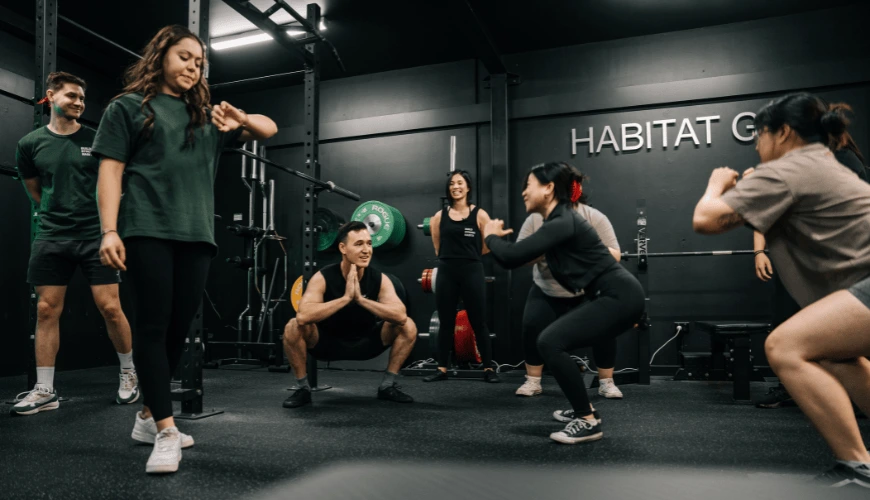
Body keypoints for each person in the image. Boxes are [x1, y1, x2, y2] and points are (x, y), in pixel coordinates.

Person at [92, 25, 277, 474]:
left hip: (197, 236)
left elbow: (269, 129)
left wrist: (241, 120)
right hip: (146, 229)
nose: (194, 66)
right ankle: (167, 430)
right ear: (161, 56)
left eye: (200, 62)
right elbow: (110, 172)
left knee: (178, 332)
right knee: (153, 329)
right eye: (185, 57)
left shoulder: (206, 118)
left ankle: (145, 418)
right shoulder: (128, 107)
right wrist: (109, 231)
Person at [692, 92, 870, 488]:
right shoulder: (821, 162)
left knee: (784, 345)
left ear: (784, 133)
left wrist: (716, 184)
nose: (757, 145)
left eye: (760, 135)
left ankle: (858, 467)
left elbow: (705, 219)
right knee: (835, 355)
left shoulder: (791, 169)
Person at [484, 162, 645, 444]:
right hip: (612, 295)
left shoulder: (564, 221)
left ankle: (587, 420)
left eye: (529, 185)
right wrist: (498, 244)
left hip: (618, 295)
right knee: (553, 341)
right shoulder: (556, 222)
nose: (523, 192)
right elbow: (516, 256)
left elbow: (510, 257)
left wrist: (489, 234)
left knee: (549, 342)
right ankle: (585, 408)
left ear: (548, 189)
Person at [11, 71, 138, 417]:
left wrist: (107, 227)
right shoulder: (30, 143)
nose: (79, 103)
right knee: (46, 310)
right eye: (72, 96)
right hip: (52, 236)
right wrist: (54, 213)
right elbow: (35, 191)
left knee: (110, 307)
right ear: (51, 96)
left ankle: (129, 374)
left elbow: (114, 186)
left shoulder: (97, 140)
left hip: (95, 235)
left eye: (82, 98)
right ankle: (45, 389)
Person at [753, 102, 866, 410]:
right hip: (806, 264)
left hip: (841, 266)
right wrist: (760, 249)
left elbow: (708, 218)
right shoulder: (798, 169)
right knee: (803, 340)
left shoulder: (841, 162)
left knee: (825, 346)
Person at [282, 221, 418, 408]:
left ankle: (387, 386)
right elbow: (303, 316)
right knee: (292, 326)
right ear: (343, 248)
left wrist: (361, 300)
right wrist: (345, 299)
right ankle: (303, 389)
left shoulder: (379, 278)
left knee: (408, 325)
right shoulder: (323, 277)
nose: (366, 250)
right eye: (359, 244)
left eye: (369, 243)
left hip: (366, 343)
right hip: (327, 344)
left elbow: (400, 316)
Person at [515, 173, 625, 399]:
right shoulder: (536, 219)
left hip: (586, 288)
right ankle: (533, 381)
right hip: (547, 288)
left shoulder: (594, 217)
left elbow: (615, 254)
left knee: (605, 329)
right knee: (531, 326)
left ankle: (607, 382)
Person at [423, 170, 499, 383]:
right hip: (447, 270)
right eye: (452, 183)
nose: (455, 186)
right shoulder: (440, 216)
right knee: (446, 321)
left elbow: (487, 245)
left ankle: (488, 370)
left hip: (472, 270)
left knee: (478, 322)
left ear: (467, 187)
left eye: (460, 183)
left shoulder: (480, 214)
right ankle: (441, 369)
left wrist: (471, 256)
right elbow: (437, 247)